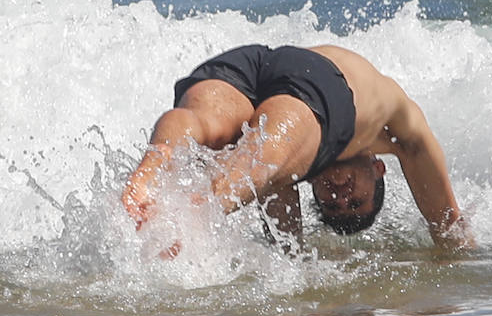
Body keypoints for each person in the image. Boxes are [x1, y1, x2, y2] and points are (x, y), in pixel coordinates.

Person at [122, 44, 470, 253]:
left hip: (253, 65)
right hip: (321, 81)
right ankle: (191, 216)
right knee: (260, 157)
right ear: (378, 168)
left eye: (331, 206)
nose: (340, 197)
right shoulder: (396, 134)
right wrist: (462, 262)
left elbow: (283, 228)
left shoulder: (299, 164)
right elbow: (447, 222)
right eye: (356, 201)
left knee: (205, 124)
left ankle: (150, 172)